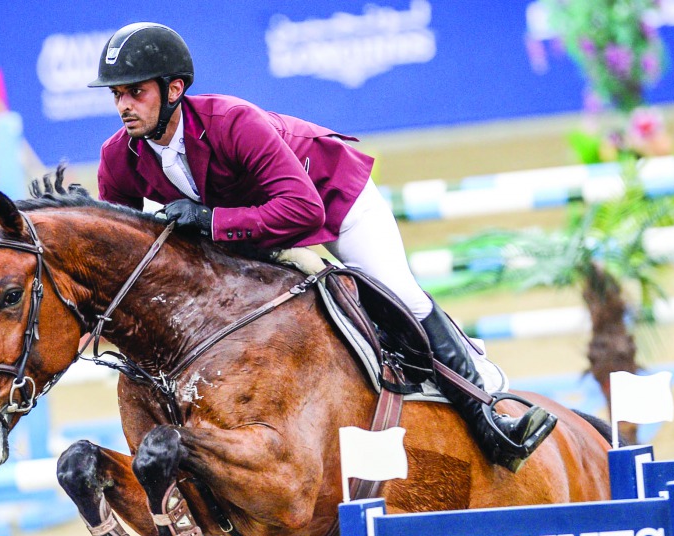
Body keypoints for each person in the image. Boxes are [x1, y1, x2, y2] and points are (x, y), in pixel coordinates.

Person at [88, 22, 556, 472]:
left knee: (395, 291)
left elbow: (304, 212)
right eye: (118, 95)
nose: (125, 106)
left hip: (331, 200)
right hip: (252, 227)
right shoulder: (118, 157)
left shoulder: (231, 121)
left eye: (136, 92)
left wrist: (211, 220)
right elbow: (126, 254)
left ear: (174, 90)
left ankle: (489, 409)